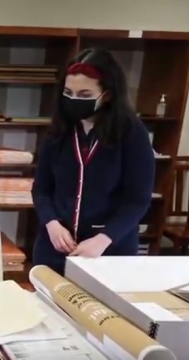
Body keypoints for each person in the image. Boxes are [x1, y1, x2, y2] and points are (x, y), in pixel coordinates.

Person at [32, 48, 155, 275]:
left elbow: (137, 200)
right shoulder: (60, 130)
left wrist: (104, 239)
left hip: (108, 252)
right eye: (68, 92)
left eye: (85, 95)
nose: (74, 100)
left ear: (106, 95)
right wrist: (51, 223)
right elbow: (41, 189)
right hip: (55, 248)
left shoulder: (131, 132)